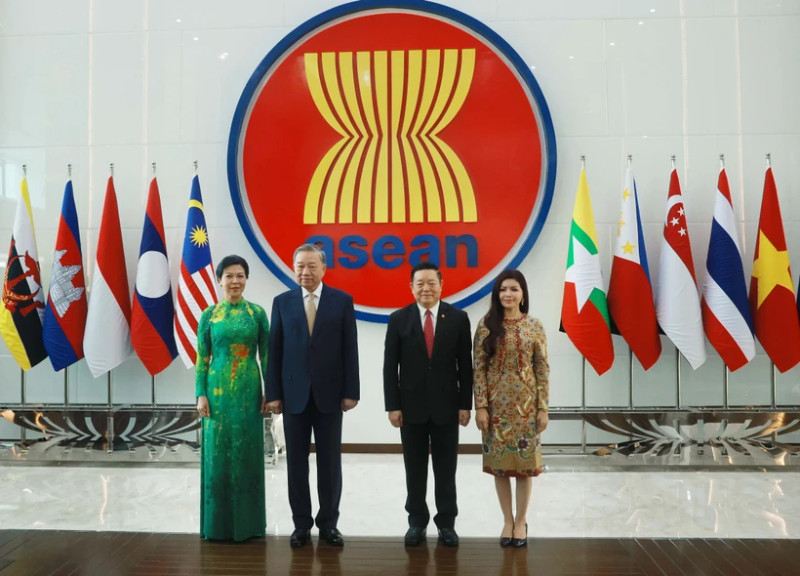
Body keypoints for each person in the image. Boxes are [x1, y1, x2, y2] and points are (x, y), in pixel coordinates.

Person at [265, 243, 360, 549]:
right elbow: (274, 351)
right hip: (293, 395)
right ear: (294, 269)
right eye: (300, 266)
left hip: (330, 395)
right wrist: (273, 394)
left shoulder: (341, 301)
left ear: (324, 268)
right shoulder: (282, 302)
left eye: (311, 266)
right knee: (296, 464)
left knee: (330, 463)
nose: (305, 272)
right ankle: (301, 525)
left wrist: (351, 391)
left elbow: (350, 349)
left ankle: (329, 524)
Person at [383, 261, 473, 548]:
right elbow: (390, 367)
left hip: (447, 406)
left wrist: (465, 404)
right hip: (410, 408)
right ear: (411, 287)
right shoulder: (398, 319)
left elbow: (466, 366)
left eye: (431, 282)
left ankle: (446, 523)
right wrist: (392, 406)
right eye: (419, 283)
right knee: (415, 469)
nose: (426, 288)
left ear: (441, 285)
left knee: (446, 469)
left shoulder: (458, 318)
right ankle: (416, 521)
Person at [473, 269, 549, 548]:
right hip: (495, 410)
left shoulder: (535, 326)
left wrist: (543, 408)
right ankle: (507, 519)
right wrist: (481, 406)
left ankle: (521, 521)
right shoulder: (485, 325)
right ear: (497, 294)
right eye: (503, 289)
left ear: (523, 294)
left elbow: (542, 369)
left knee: (525, 467)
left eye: (514, 289)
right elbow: (478, 369)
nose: (508, 294)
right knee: (500, 467)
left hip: (526, 409)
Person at [195, 254, 269, 541]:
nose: (235, 281)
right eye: (229, 276)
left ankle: (249, 525)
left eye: (240, 275)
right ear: (219, 280)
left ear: (246, 279)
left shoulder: (257, 314)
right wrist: (200, 393)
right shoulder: (209, 315)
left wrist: (270, 391)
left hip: (249, 390)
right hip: (217, 392)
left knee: (248, 451)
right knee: (218, 452)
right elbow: (202, 357)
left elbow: (266, 355)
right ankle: (217, 525)